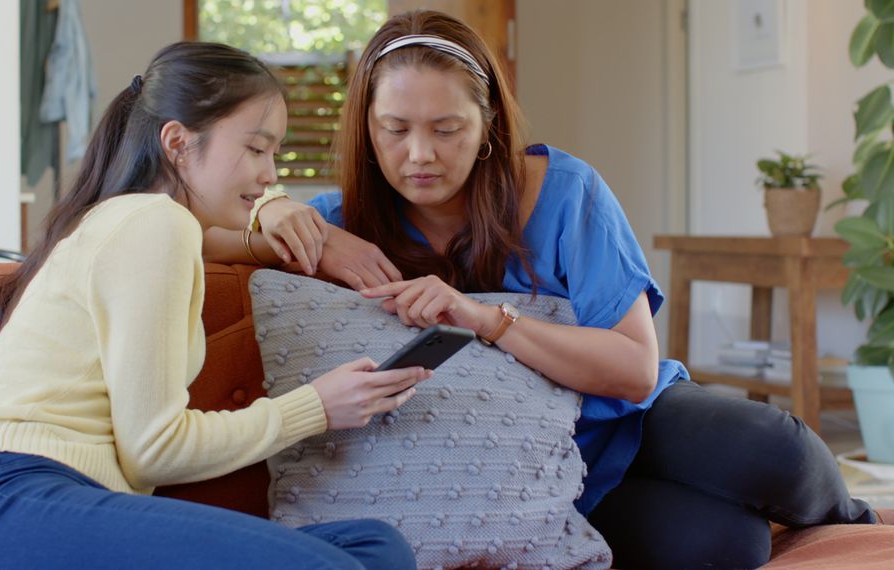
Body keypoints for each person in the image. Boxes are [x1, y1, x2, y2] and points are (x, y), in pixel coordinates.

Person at [206, 11, 880, 570]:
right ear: (366, 126)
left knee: (772, 449)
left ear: (490, 123)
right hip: (516, 467)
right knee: (726, 547)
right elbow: (191, 235)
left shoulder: (564, 193)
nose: (420, 156)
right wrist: (278, 218)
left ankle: (861, 528)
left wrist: (485, 318)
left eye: (447, 130)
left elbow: (632, 369)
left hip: (626, 417)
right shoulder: (340, 222)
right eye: (395, 130)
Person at [0, 42, 429, 570]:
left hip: (48, 504)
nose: (269, 176)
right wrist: (316, 406)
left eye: (275, 155)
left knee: (376, 550)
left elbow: (216, 241)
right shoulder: (153, 225)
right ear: (177, 142)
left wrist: (296, 234)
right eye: (257, 149)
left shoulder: (148, 225)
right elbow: (154, 448)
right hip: (10, 504)